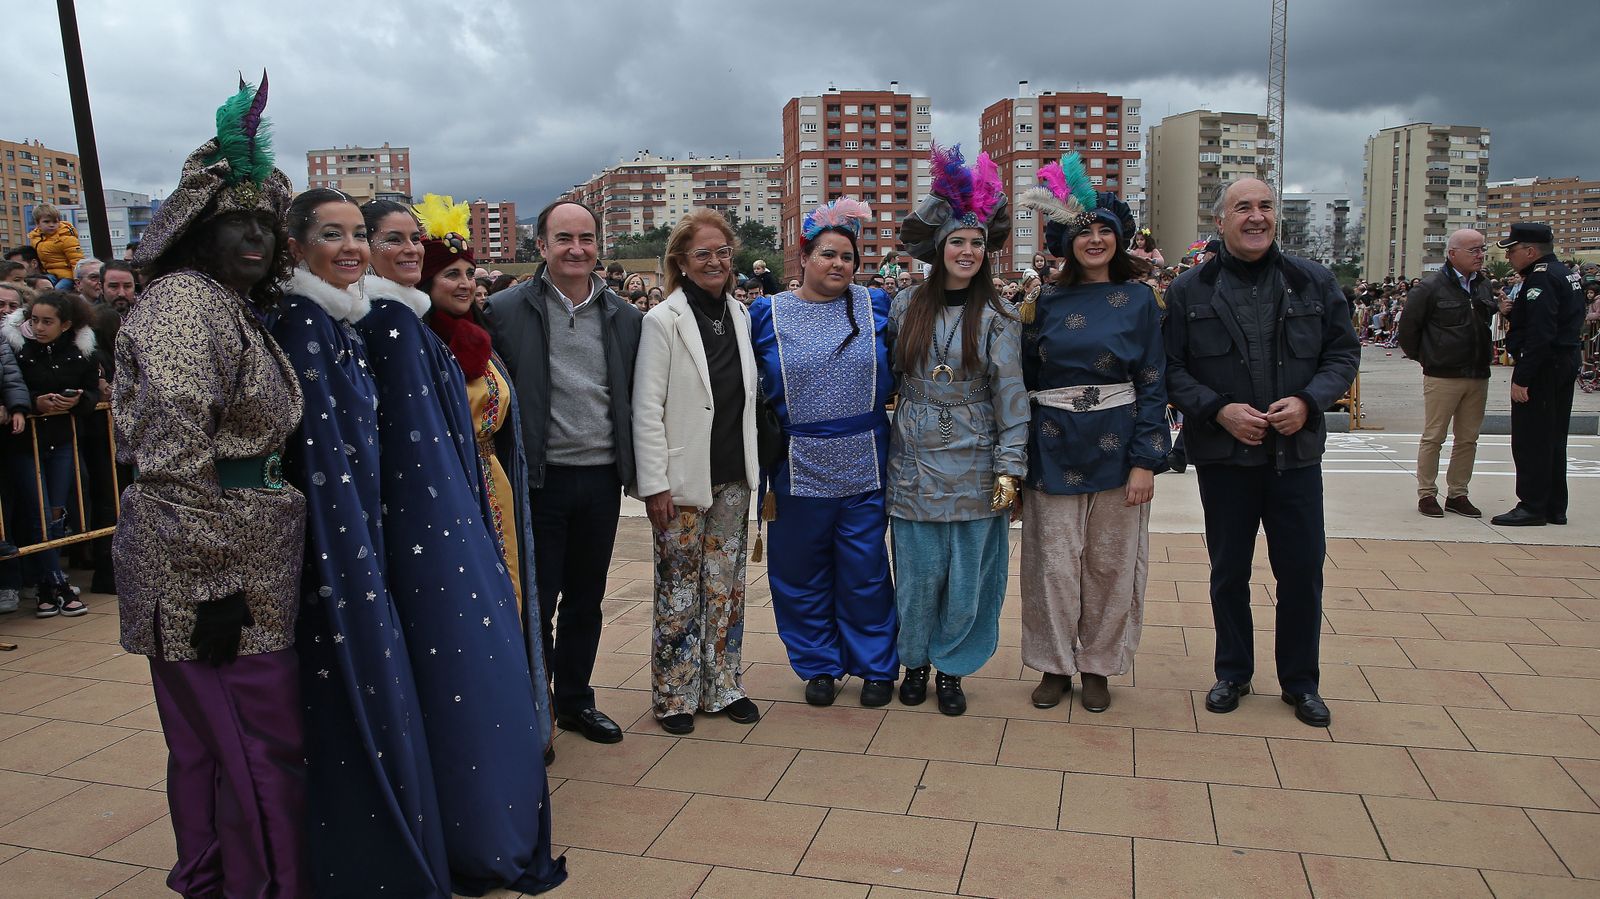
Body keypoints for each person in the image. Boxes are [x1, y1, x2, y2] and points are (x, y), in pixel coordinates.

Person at [117, 76, 310, 897]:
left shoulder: (227, 305)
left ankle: (214, 878)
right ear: (197, 230)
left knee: (214, 748)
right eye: (236, 221)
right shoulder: (184, 304)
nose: (256, 237)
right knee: (257, 749)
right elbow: (170, 455)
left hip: (244, 555)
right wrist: (214, 583)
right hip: (214, 570)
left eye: (266, 223)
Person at [353, 192, 565, 893]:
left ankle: (530, 727)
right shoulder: (400, 330)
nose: (464, 283)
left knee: (511, 615)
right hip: (440, 505)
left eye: (469, 273)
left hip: (487, 489)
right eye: (454, 274)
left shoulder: (465, 335)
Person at [271, 188, 454, 897]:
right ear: (296, 246)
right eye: (332, 234)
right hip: (332, 549)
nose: (350, 247)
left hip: (361, 533)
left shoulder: (337, 320)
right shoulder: (304, 323)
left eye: (356, 233)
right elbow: (319, 457)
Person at [1163, 177, 1358, 728]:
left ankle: (1301, 682)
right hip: (1226, 459)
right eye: (1242, 208)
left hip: (1295, 456)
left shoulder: (1313, 282)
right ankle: (1233, 673)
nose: (1256, 217)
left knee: (1301, 571)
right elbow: (1170, 368)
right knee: (1229, 572)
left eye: (1265, 207)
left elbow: (1342, 354)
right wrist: (1217, 409)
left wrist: (1309, 400)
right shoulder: (1189, 290)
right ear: (1220, 221)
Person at [1013, 156, 1168, 713]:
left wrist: (1147, 459)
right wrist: (1016, 461)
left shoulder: (1141, 300)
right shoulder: (1040, 305)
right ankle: (1053, 664)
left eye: (1106, 230)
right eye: (1084, 231)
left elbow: (1153, 383)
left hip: (1119, 445)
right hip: (1051, 446)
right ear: (1064, 241)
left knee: (1111, 562)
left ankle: (1099, 664)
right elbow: (1023, 385)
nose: (1096, 239)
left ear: (1121, 238)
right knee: (1051, 563)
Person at [488, 199, 643, 746]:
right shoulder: (504, 311)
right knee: (539, 597)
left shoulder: (624, 316)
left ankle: (576, 700)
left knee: (586, 598)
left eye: (586, 239)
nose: (576, 250)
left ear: (599, 244)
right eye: (564, 239)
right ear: (543, 245)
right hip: (539, 479)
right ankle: (537, 710)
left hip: (600, 479)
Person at [887, 145, 1025, 716]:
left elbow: (1011, 399)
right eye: (957, 242)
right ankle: (913, 660)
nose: (967, 251)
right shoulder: (902, 308)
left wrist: (1011, 469)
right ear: (939, 249)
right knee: (917, 576)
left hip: (975, 465)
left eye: (976, 242)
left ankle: (952, 668)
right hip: (914, 463)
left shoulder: (999, 319)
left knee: (969, 577)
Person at [749, 198, 899, 707]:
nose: (838, 264)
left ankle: (876, 664)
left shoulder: (876, 305)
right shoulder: (766, 313)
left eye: (848, 257)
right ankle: (818, 664)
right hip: (796, 462)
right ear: (805, 257)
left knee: (865, 568)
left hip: (864, 456)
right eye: (828, 254)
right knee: (799, 570)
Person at [633, 210, 761, 734]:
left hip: (733, 473)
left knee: (725, 586)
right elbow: (646, 407)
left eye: (722, 252)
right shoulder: (662, 320)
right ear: (681, 263)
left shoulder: (741, 314)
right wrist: (654, 484)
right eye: (702, 254)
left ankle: (723, 684)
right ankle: (675, 693)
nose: (714, 261)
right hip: (682, 480)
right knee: (679, 588)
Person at [3, 289, 99, 616]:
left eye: (48, 322)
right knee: (39, 513)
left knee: (56, 511)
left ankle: (50, 583)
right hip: (25, 443)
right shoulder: (18, 350)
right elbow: (11, 386)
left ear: (65, 324)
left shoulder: (79, 353)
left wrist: (77, 401)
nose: (40, 327)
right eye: (35, 321)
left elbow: (90, 390)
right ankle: (53, 581)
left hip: (62, 440)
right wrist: (34, 403)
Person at [1398, 229, 1495, 519]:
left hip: (1477, 372)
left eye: (1481, 249)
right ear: (1453, 254)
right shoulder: (1430, 288)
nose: (1479, 255)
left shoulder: (1483, 285)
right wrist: (1428, 357)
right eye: (1473, 250)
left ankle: (1458, 494)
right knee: (1434, 436)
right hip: (1443, 374)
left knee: (1468, 438)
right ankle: (1427, 493)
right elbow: (1408, 330)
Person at [1492, 222, 1585, 527]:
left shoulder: (1541, 280)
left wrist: (1523, 378)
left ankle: (1532, 505)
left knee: (1531, 439)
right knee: (1554, 437)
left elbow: (1541, 333)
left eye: (1513, 251)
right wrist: (1511, 313)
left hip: (1544, 367)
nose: (1510, 258)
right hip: (1564, 360)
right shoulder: (1565, 274)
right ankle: (1554, 505)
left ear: (1530, 251)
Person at [27, 204, 84, 288]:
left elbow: (76, 260)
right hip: (50, 273)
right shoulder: (36, 239)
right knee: (39, 286)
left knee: (57, 291)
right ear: (37, 223)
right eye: (47, 222)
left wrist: (77, 280)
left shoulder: (66, 239)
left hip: (68, 275)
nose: (51, 225)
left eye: (55, 222)